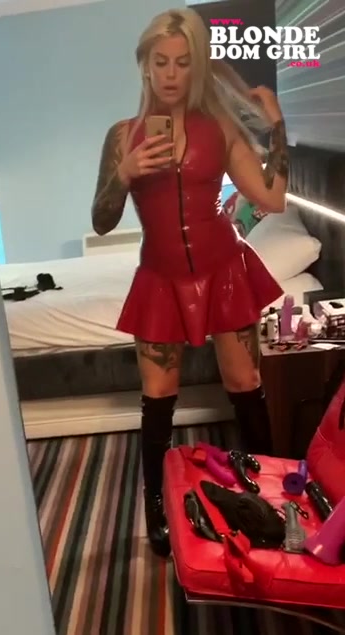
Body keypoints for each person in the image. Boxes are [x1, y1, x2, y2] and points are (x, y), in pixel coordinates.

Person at [91, 8, 288, 558]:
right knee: (157, 398)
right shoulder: (122, 137)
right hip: (159, 277)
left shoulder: (219, 127)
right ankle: (156, 509)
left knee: (246, 383)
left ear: (196, 67)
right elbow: (101, 220)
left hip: (224, 271)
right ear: (144, 65)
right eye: (161, 62)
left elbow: (272, 198)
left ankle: (270, 495)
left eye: (183, 62)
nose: (172, 74)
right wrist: (124, 173)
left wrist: (277, 129)